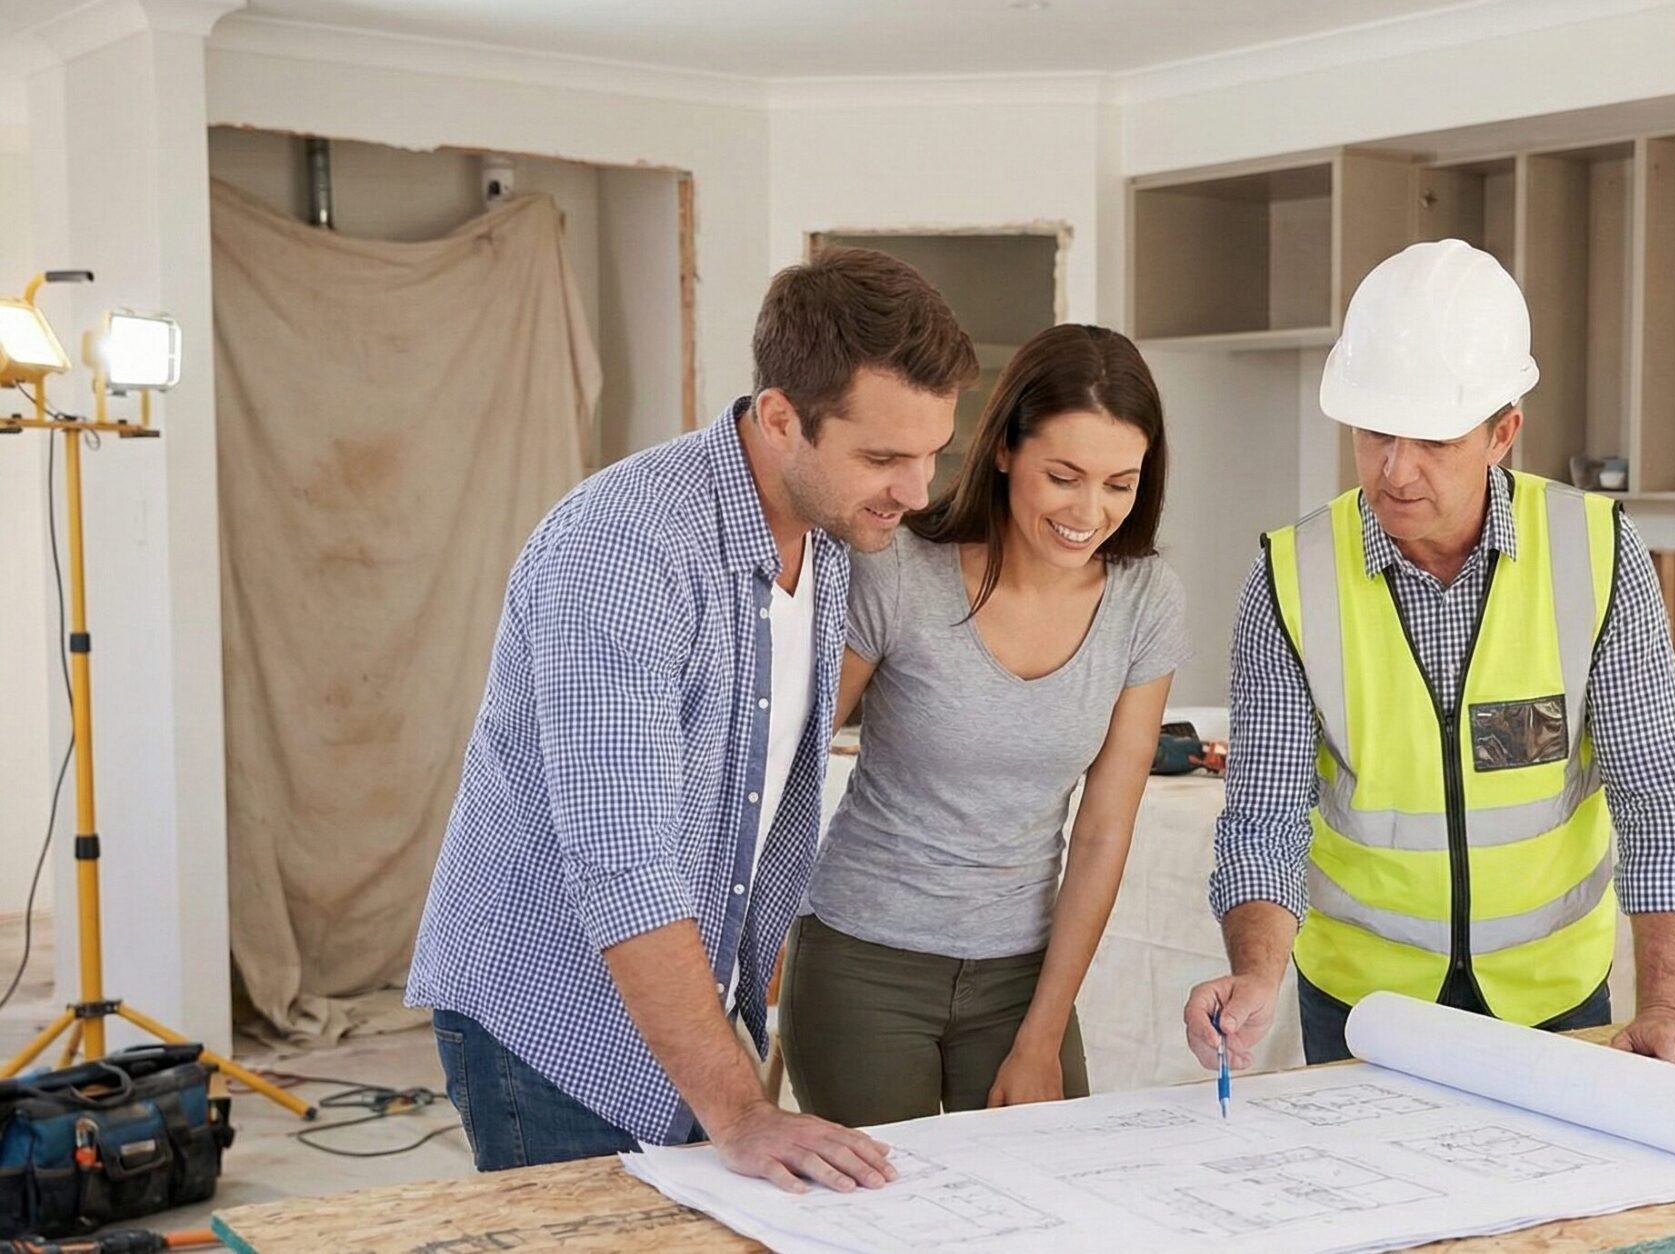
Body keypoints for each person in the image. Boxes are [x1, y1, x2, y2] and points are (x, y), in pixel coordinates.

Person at [407, 248, 979, 1190]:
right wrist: (744, 1111)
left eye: (932, 453)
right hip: (552, 1020)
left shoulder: (828, 535)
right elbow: (623, 858)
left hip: (681, 1011)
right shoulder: (625, 549)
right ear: (782, 417)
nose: (915, 491)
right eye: (884, 457)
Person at [1181, 239, 1675, 1077]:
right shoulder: (1291, 577)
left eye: (1432, 439)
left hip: (1554, 999)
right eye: (1374, 434)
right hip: (1365, 1006)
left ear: (1503, 431)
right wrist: (1257, 973)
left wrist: (1665, 1007)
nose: (1394, 471)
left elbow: (1655, 795)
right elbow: (1265, 817)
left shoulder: (1596, 553)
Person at [784, 324, 1187, 1125]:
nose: (1089, 511)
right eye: (1064, 476)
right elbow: (787, 762)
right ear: (1003, 450)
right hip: (865, 965)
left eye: (1119, 484)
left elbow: (1105, 830)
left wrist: (1042, 1033)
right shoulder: (899, 571)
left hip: (1021, 981)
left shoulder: (1146, 601)